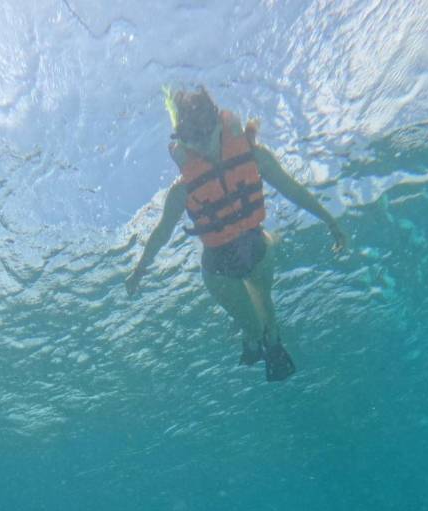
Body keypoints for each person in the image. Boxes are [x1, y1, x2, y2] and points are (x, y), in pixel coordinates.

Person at [125, 87, 346, 381]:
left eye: (206, 129)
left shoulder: (255, 156)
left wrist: (330, 221)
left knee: (269, 319)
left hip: (258, 250)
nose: (203, 143)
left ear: (219, 121)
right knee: (254, 327)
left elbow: (292, 189)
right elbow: (162, 232)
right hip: (219, 271)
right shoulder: (182, 191)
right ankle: (251, 339)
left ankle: (269, 344)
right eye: (193, 137)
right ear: (183, 141)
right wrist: (140, 270)